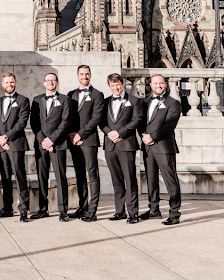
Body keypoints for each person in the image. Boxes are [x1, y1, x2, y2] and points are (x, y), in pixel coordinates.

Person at [139, 74, 182, 226]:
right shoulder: (144, 102)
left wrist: (152, 137)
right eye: (155, 83)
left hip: (164, 147)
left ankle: (174, 213)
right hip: (148, 147)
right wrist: (144, 137)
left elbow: (169, 125)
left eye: (161, 83)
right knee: (151, 180)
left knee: (171, 180)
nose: (159, 85)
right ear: (150, 85)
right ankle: (154, 210)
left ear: (165, 84)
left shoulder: (173, 103)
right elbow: (139, 122)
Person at [102, 73, 143, 224]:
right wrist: (110, 134)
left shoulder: (134, 100)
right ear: (109, 86)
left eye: (118, 84)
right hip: (110, 145)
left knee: (130, 179)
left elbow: (136, 120)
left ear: (122, 84)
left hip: (126, 144)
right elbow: (101, 122)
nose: (116, 88)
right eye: (113, 86)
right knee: (116, 180)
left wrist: (120, 133)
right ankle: (120, 211)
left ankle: (133, 213)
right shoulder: (105, 102)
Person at [30, 72, 71, 222]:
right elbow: (34, 123)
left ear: (57, 82)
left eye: (53, 80)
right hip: (41, 145)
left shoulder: (65, 99)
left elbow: (65, 122)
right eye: (47, 80)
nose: (50, 83)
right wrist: (43, 140)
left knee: (61, 177)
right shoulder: (36, 100)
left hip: (58, 143)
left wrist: (52, 139)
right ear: (44, 83)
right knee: (42, 177)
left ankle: (63, 210)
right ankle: (42, 209)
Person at [67, 65, 104, 222]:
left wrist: (81, 134)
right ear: (77, 76)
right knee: (80, 175)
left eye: (87, 74)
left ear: (90, 75)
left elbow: (96, 118)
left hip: (89, 140)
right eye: (82, 74)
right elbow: (67, 116)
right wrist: (72, 134)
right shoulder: (71, 94)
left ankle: (93, 211)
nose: (84, 76)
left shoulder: (97, 94)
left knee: (92, 174)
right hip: (74, 141)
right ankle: (83, 207)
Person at [0, 72, 30, 222]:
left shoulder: (23, 100)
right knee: (5, 177)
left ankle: (23, 210)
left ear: (16, 82)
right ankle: (7, 208)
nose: (9, 85)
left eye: (11, 82)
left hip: (16, 144)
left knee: (20, 177)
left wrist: (6, 137)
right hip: (2, 146)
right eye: (6, 83)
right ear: (2, 84)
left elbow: (21, 123)